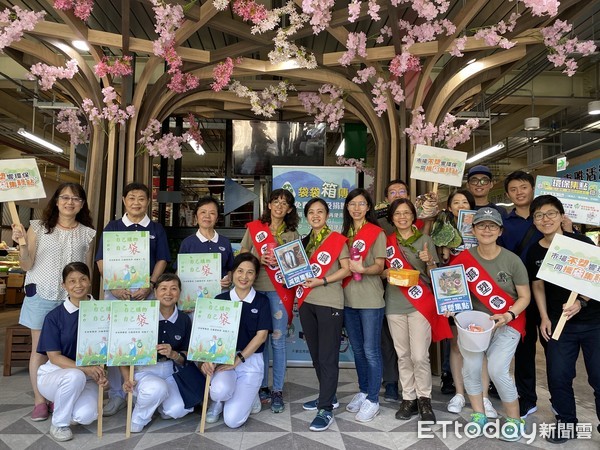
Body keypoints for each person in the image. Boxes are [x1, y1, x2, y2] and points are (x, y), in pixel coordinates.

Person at [11, 182, 96, 422]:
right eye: (65, 197)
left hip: (73, 299)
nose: (70, 202)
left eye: (76, 198)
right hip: (42, 294)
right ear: (56, 201)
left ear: (82, 204)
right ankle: (40, 400)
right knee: (40, 350)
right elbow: (26, 265)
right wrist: (21, 246)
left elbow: (86, 269)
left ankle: (61, 392)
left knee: (69, 348)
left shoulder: (87, 232)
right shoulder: (38, 227)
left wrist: (89, 297)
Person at [525, 195, 600, 443]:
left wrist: (583, 301)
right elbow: (537, 286)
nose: (545, 219)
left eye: (550, 213)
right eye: (539, 215)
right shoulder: (535, 250)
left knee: (598, 376)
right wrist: (544, 317)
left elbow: (596, 277)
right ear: (534, 220)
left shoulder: (581, 242)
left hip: (593, 322)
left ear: (560, 216)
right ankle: (566, 423)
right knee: (558, 376)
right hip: (559, 325)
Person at [451, 207, 530, 441]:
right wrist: (450, 305)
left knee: (497, 369)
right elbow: (451, 292)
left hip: (508, 322)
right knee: (471, 368)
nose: (487, 230)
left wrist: (508, 315)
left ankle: (515, 419)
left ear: (500, 231)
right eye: (482, 225)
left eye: (492, 225)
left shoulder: (512, 260)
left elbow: (524, 297)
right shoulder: (462, 260)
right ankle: (479, 415)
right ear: (473, 230)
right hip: (474, 325)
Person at [95, 182, 171, 416]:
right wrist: (114, 285)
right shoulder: (113, 227)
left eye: (141, 198)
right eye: (131, 198)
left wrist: (150, 283)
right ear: (123, 200)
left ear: (148, 201)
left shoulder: (156, 229)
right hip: (116, 292)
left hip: (144, 293)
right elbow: (101, 260)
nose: (136, 202)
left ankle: (139, 392)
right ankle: (118, 394)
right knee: (117, 343)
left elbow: (162, 259)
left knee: (141, 341)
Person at [383, 199, 451, 424]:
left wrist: (429, 261)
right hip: (394, 303)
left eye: (406, 213)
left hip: (420, 303)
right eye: (397, 214)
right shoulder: (387, 242)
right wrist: (388, 273)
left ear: (414, 217)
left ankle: (424, 398)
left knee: (420, 355)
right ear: (392, 218)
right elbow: (380, 271)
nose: (402, 217)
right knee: (402, 354)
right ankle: (408, 397)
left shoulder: (425, 240)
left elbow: (434, 275)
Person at [240, 188, 299, 413]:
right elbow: (243, 254)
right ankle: (261, 385)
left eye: (284, 203)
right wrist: (258, 258)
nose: (279, 206)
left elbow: (296, 266)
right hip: (255, 290)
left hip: (279, 292)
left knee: (278, 340)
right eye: (276, 201)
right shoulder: (256, 228)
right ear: (269, 205)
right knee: (259, 340)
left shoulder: (292, 233)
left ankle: (277, 390)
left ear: (290, 209)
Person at [36, 262, 107, 442]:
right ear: (64, 286)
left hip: (89, 377)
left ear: (90, 281)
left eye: (83, 279)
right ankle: (59, 423)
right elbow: (54, 357)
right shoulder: (54, 317)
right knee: (75, 376)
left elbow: (109, 347)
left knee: (85, 416)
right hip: (56, 376)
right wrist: (85, 369)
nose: (78, 285)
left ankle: (64, 404)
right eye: (72, 281)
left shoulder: (103, 311)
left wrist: (102, 373)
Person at [201, 253, 272, 428]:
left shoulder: (262, 301)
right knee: (218, 391)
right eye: (240, 271)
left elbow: (261, 336)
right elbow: (210, 334)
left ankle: (250, 394)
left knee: (232, 421)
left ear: (255, 276)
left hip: (250, 361)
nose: (244, 277)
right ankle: (217, 402)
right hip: (224, 359)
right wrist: (207, 359)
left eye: (250, 272)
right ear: (232, 273)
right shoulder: (220, 299)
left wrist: (238, 360)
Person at [298, 198, 350, 431]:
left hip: (329, 302)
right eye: (311, 212)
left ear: (328, 215)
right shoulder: (304, 241)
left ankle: (326, 408)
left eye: (320, 211)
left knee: (328, 357)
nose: (315, 215)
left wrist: (323, 280)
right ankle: (327, 396)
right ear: (306, 216)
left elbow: (346, 268)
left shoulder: (337, 241)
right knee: (317, 355)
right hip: (307, 302)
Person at [120, 273, 195, 433]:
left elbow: (186, 355)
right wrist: (127, 378)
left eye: (173, 289)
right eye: (163, 289)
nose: (168, 293)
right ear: (155, 292)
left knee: (178, 410)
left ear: (180, 292)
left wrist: (173, 354)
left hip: (170, 371)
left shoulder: (183, 319)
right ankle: (138, 418)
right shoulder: (142, 315)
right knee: (156, 389)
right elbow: (122, 351)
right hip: (145, 371)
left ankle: (154, 401)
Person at [498, 171, 544, 419]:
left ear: (532, 188)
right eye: (513, 189)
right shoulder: (504, 224)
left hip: (549, 293)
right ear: (508, 194)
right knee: (524, 350)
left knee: (555, 349)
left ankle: (562, 404)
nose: (519, 192)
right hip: (519, 294)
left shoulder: (546, 218)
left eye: (523, 187)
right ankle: (527, 398)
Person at [341, 188, 386, 422]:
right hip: (347, 299)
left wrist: (363, 269)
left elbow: (380, 266)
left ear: (368, 207)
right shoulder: (344, 233)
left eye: (361, 204)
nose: (356, 208)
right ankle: (364, 390)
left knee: (371, 350)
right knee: (357, 350)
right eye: (352, 204)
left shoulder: (376, 233)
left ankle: (373, 400)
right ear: (347, 208)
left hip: (370, 300)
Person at [178, 196, 234, 290]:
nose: (207, 216)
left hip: (220, 295)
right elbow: (180, 271)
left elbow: (231, 269)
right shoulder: (187, 243)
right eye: (203, 212)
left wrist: (229, 279)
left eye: (212, 213)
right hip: (194, 295)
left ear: (217, 218)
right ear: (196, 216)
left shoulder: (224, 242)